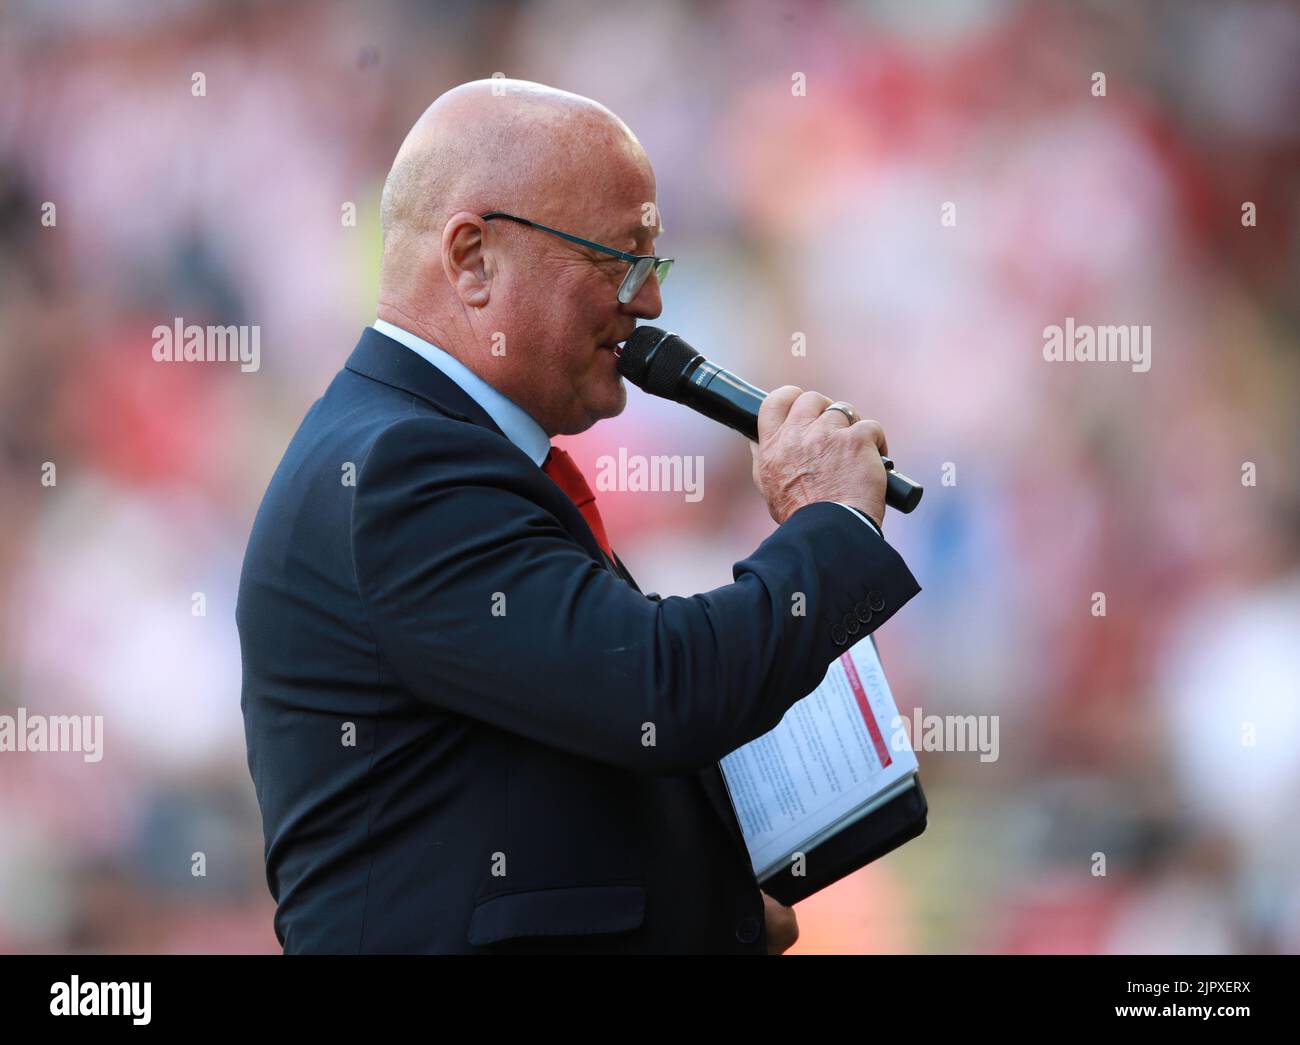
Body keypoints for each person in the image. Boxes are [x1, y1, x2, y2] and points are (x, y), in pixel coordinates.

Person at [237, 78, 921, 954]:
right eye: (617, 260)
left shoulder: (429, 451)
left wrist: (715, 905)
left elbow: (574, 762)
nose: (649, 302)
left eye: (653, 263)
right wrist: (827, 524)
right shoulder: (403, 472)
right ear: (474, 259)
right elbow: (657, 688)